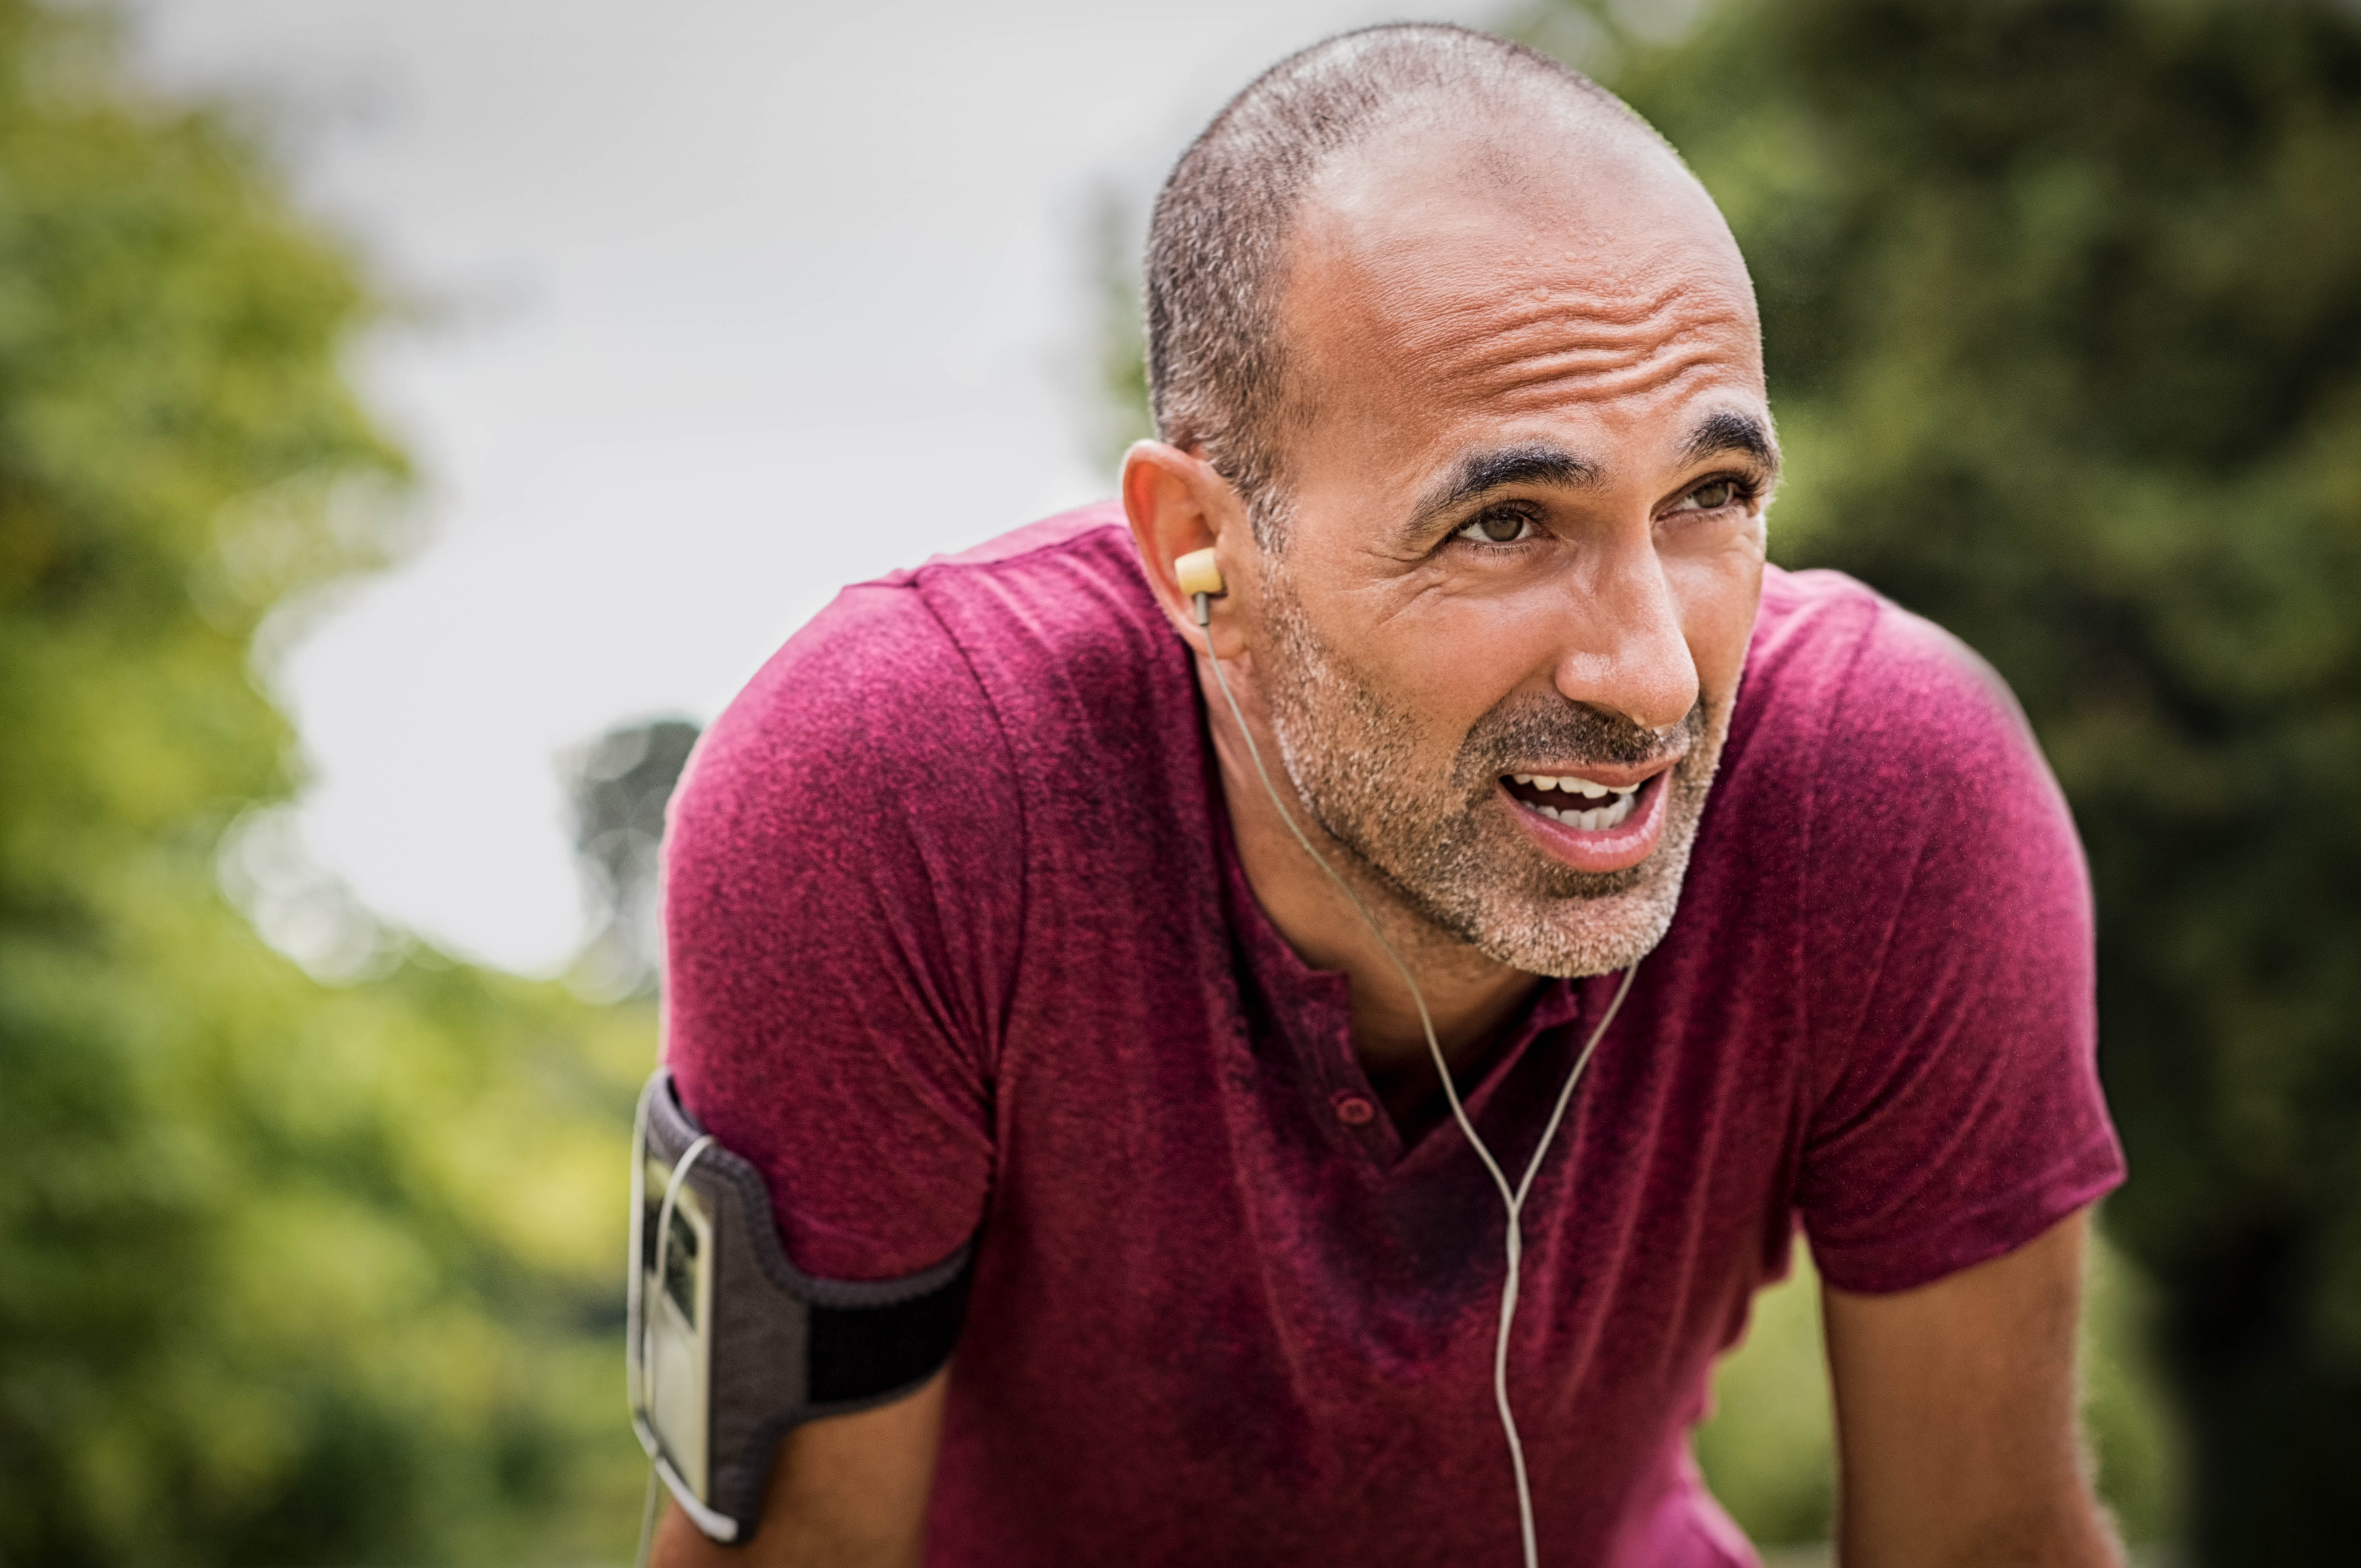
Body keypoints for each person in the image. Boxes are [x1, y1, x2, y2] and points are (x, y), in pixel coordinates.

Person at [653, 23, 2126, 1568]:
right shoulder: (894, 793)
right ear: (1196, 548)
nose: (1655, 680)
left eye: (1712, 499)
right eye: (1503, 522)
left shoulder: (1889, 788)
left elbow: (1990, 1542)